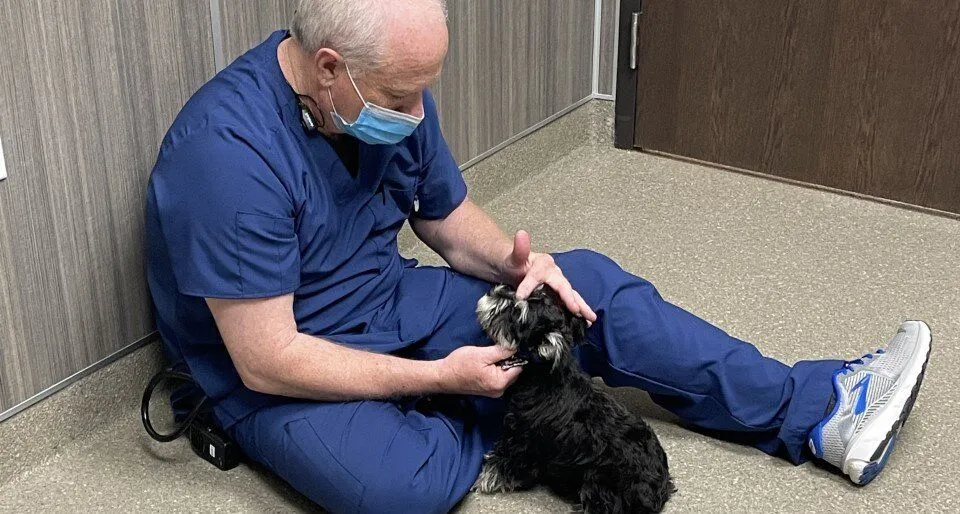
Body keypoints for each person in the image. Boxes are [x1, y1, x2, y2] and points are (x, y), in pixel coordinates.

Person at [144, 0, 931, 512]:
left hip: (384, 300)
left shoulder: (379, 95)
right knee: (393, 491)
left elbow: (447, 222)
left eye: (425, 92)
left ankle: (820, 410)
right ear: (328, 71)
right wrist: (437, 376)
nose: (418, 115)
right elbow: (269, 359)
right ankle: (476, 413)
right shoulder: (227, 155)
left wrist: (530, 268)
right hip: (277, 370)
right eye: (402, 99)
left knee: (583, 285)